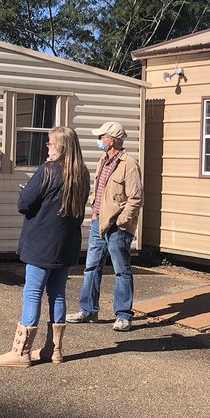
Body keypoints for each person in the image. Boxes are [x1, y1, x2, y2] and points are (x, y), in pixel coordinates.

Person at [0, 127, 90, 368]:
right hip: (66, 243)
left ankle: (21, 351)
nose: (47, 147)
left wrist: (26, 190)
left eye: (49, 143)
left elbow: (25, 203)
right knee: (57, 293)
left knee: (33, 291)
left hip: (42, 241)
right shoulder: (82, 173)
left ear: (60, 147)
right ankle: (54, 349)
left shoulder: (48, 170)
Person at [65, 120, 143, 331]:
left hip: (118, 226)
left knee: (121, 270)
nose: (99, 140)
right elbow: (98, 189)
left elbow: (136, 198)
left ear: (112, 140)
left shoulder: (129, 164)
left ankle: (124, 315)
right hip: (98, 223)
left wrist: (121, 221)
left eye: (102, 137)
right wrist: (94, 204)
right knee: (91, 267)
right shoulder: (103, 160)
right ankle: (88, 311)